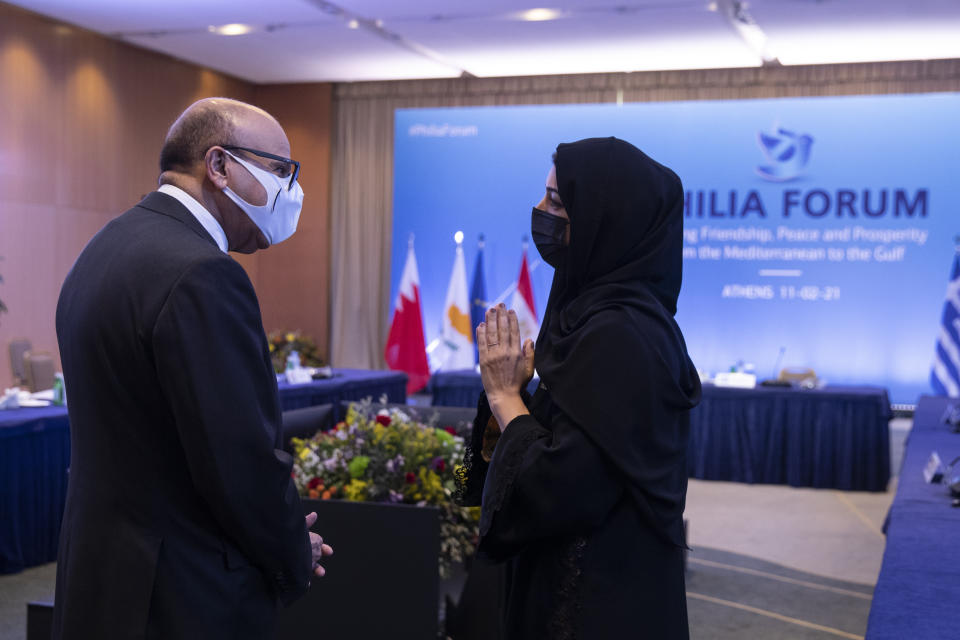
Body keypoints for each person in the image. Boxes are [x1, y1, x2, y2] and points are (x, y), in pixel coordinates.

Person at [53, 98, 333, 639]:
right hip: (182, 590)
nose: (289, 191)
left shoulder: (105, 247)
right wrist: (292, 551)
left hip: (103, 574)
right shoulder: (204, 273)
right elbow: (236, 458)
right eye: (280, 171)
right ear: (220, 165)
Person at [461, 137, 702, 638]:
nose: (539, 211)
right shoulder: (593, 319)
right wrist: (513, 396)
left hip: (598, 602)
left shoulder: (619, 334)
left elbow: (562, 489)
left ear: (607, 222)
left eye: (557, 202)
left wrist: (506, 398)